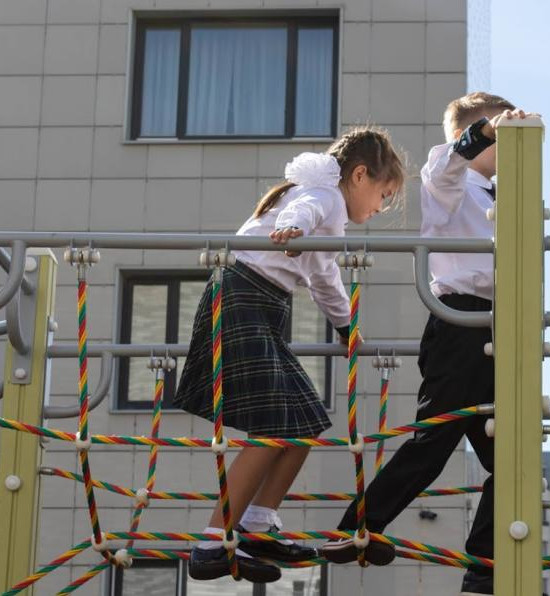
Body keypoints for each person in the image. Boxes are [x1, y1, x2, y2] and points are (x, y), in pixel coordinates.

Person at [174, 127, 406, 583]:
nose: (380, 208)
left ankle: (258, 523)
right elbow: (306, 210)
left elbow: (324, 280)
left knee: (306, 418)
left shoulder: (328, 213)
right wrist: (293, 227)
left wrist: (347, 329)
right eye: (383, 194)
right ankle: (211, 542)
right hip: (242, 298)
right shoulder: (322, 198)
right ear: (360, 175)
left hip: (262, 304)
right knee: (275, 425)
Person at [322, 92, 530, 596]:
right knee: (433, 443)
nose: (504, 147)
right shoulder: (449, 182)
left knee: (511, 459)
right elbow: (447, 162)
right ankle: (355, 529)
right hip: (458, 323)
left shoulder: (503, 193)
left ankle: (485, 567)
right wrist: (486, 131)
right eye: (497, 138)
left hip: (498, 327)